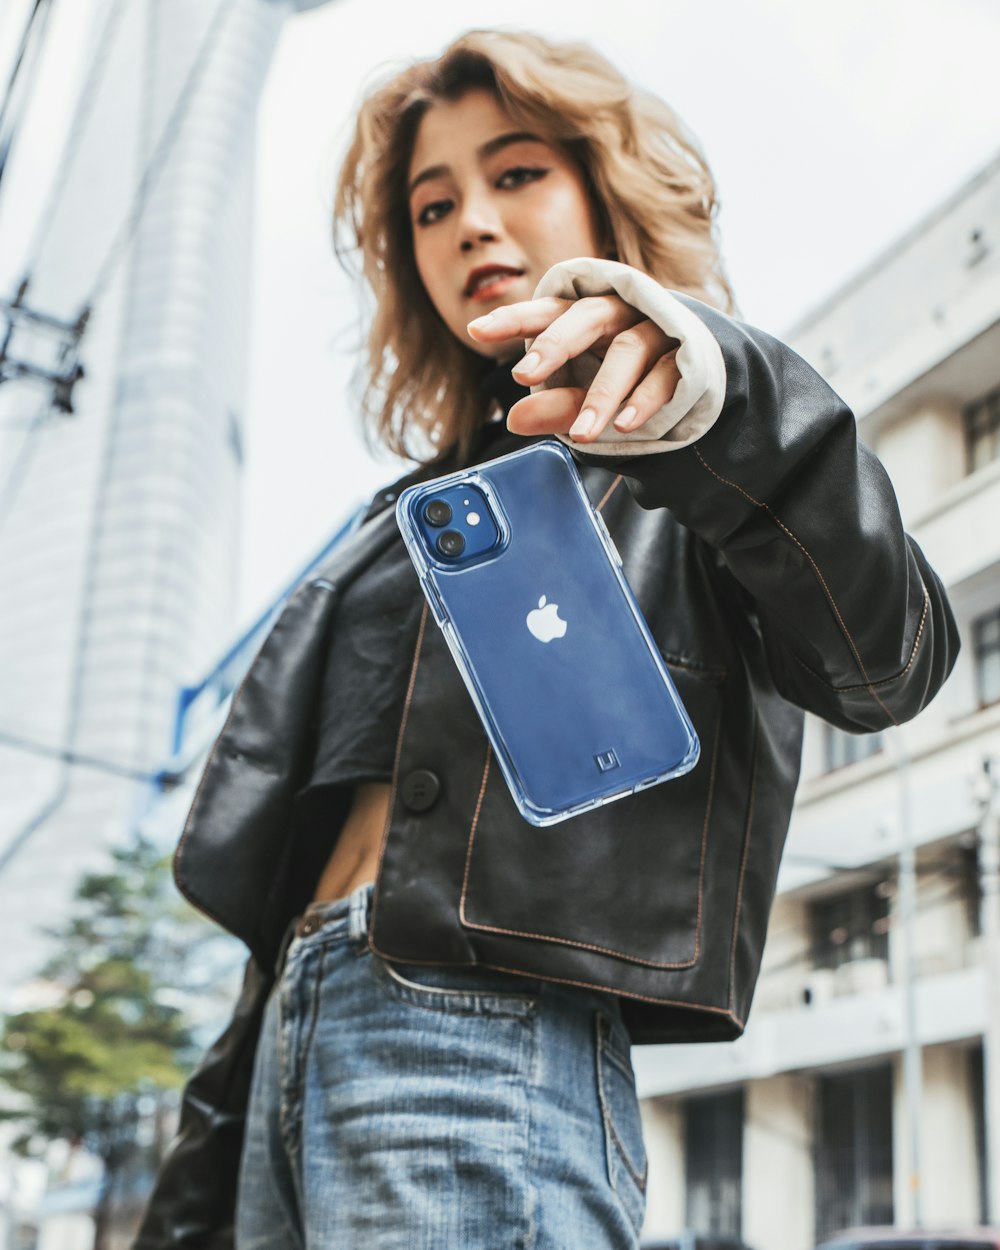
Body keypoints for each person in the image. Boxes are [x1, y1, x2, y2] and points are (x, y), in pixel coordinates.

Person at [134, 29, 958, 1250]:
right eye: (431, 203)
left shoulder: (701, 463)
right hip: (293, 1036)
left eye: (516, 173)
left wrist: (719, 406)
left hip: (478, 1039)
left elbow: (891, 655)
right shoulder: (398, 527)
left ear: (602, 189)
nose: (470, 222)